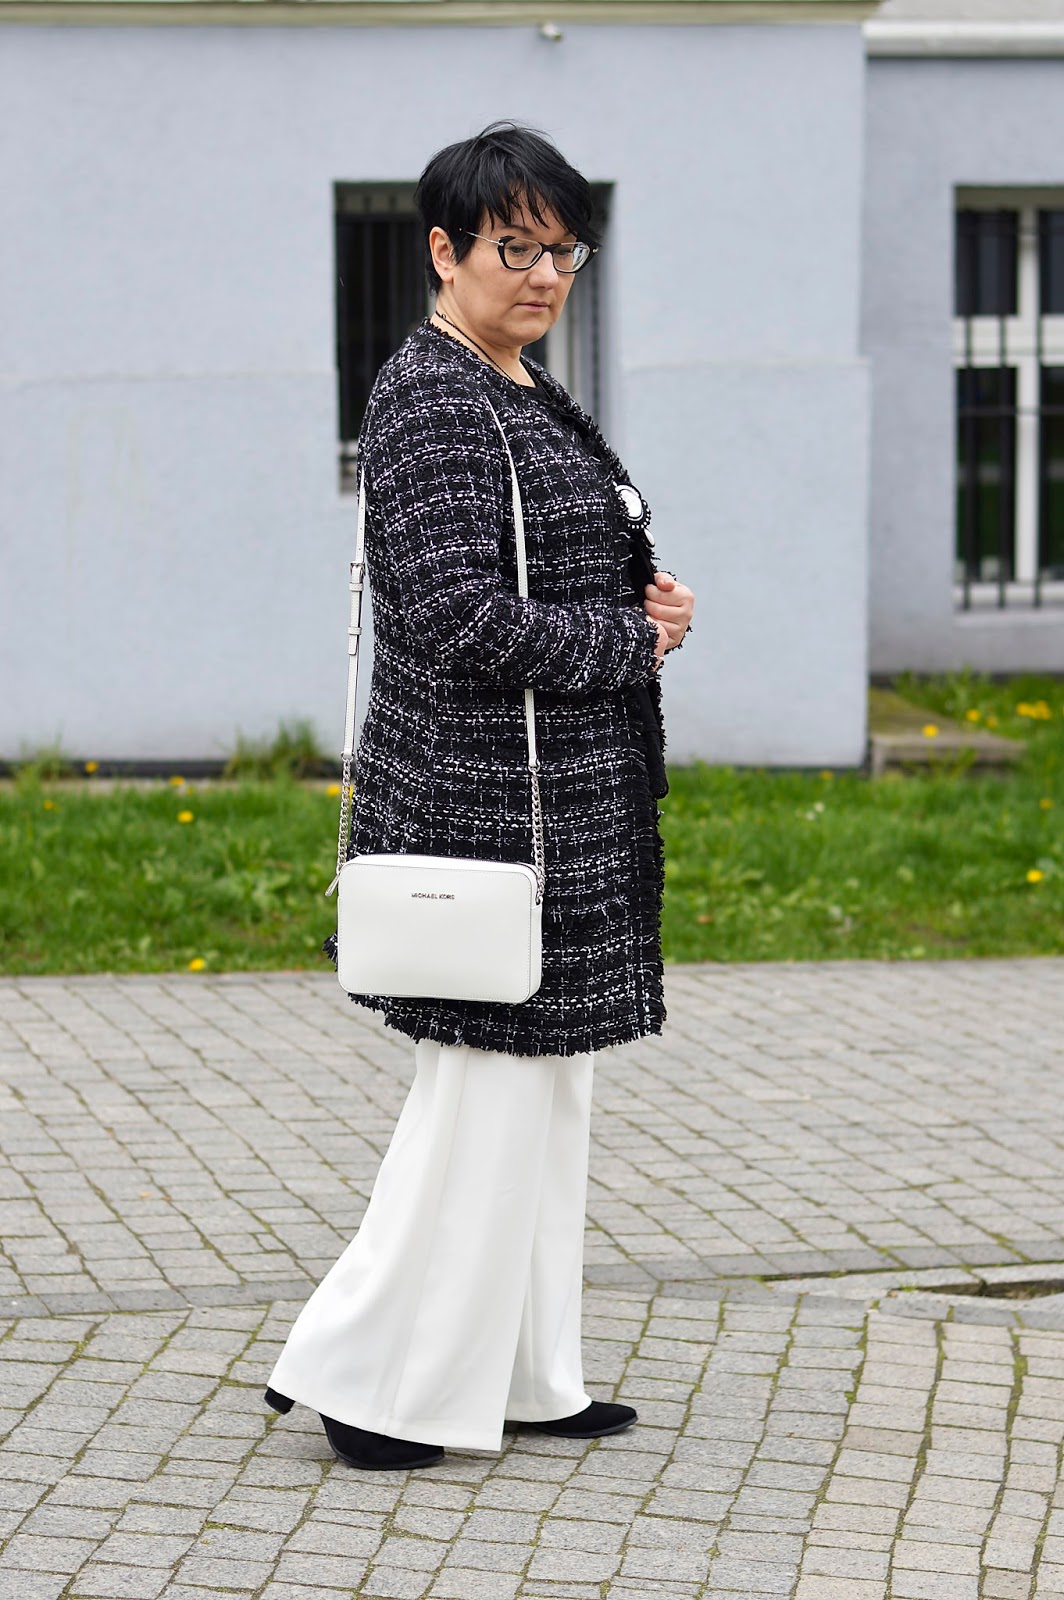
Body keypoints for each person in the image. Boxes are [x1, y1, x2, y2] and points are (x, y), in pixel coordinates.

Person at [265, 122, 695, 1471]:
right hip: (483, 813)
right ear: (445, 251)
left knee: (544, 1106)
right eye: (518, 248)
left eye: (565, 251)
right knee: (481, 1110)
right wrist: (625, 640)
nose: (547, 274)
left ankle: (524, 1372)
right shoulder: (435, 397)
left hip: (553, 810)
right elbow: (455, 617)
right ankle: (370, 1386)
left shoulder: (515, 384)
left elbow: (555, 565)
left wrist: (647, 604)